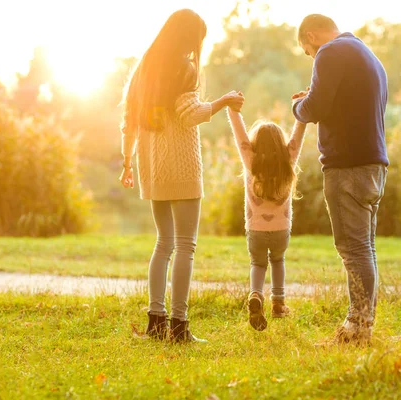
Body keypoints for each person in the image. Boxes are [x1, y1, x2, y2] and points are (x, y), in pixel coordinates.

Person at [119, 9, 244, 343]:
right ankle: (179, 327)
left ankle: (155, 323)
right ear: (188, 37)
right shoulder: (183, 68)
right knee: (186, 246)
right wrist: (225, 101)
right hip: (182, 166)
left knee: (163, 245)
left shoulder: (144, 69)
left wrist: (127, 161)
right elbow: (190, 115)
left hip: (152, 169)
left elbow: (128, 120)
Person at [292, 14, 389, 345]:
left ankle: (356, 328)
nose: (311, 57)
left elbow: (315, 108)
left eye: (307, 51)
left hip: (348, 166)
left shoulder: (330, 52)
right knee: (366, 248)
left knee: (353, 248)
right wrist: (315, 98)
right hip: (374, 165)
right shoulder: (367, 55)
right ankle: (364, 325)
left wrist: (299, 106)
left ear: (311, 36)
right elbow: (343, 105)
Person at [226, 98, 306, 331]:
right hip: (281, 230)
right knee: (278, 260)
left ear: (256, 144)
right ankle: (278, 304)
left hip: (255, 230)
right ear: (280, 144)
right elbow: (297, 138)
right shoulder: (287, 161)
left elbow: (241, 141)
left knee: (258, 263)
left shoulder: (251, 163)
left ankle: (256, 295)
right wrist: (302, 109)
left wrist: (234, 113)